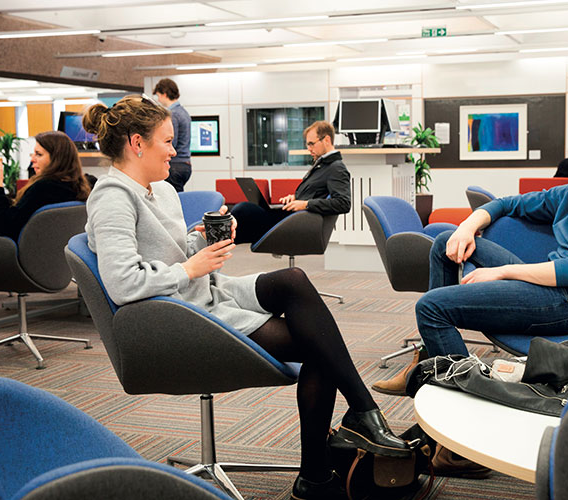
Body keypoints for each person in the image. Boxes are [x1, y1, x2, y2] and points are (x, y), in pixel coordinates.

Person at [81, 96, 409, 500]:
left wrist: (201, 238)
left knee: (293, 281)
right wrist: (192, 267)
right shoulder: (112, 197)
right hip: (179, 316)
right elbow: (123, 282)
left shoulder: (161, 190)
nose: (174, 151)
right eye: (167, 141)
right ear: (137, 143)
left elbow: (174, 253)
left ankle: (353, 424)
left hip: (204, 293)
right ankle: (328, 459)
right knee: (320, 347)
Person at [411, 102, 568, 360]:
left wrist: (503, 272)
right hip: (555, 289)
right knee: (445, 241)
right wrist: (467, 226)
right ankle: (428, 361)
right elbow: (507, 203)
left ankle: (458, 377)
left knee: (431, 307)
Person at [230, 120, 350, 244]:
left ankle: (221, 240)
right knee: (244, 213)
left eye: (311, 144)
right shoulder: (322, 165)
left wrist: (305, 204)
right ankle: (222, 241)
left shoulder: (336, 168)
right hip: (291, 218)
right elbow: (316, 193)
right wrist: (295, 198)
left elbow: (343, 203)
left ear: (327, 140)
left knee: (243, 210)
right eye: (307, 145)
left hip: (296, 224)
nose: (309, 149)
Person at [0, 131, 91, 242]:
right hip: (63, 250)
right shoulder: (82, 185)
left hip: (24, 250)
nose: (32, 159)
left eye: (39, 154)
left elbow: (2, 227)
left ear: (56, 159)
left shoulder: (43, 188)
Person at [153, 78, 191, 192]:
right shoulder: (183, 112)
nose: (158, 100)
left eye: (159, 96)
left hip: (175, 165)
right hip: (185, 164)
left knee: (172, 199)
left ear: (164, 94)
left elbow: (171, 143)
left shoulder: (172, 115)